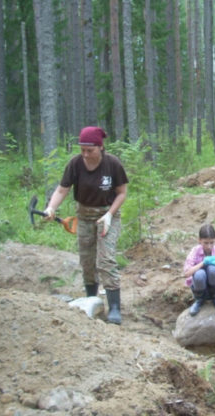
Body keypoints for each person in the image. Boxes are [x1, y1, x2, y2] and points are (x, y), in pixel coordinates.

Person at [45, 126, 128, 325]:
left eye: (89, 150)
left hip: (108, 215)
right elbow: (62, 190)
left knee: (106, 259)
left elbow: (122, 193)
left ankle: (115, 307)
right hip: (84, 216)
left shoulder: (112, 164)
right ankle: (92, 299)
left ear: (100, 147)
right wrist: (51, 208)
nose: (85, 154)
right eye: (82, 150)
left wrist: (109, 214)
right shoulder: (75, 164)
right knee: (87, 260)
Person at [183, 224, 215, 316]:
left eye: (212, 242)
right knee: (199, 274)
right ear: (199, 240)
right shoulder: (195, 251)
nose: (209, 246)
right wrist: (202, 263)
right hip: (199, 286)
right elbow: (187, 273)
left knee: (213, 269)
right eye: (206, 243)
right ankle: (199, 299)